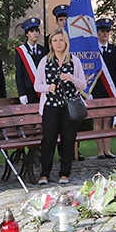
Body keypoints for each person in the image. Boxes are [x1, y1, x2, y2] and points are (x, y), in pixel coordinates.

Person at [33, 29, 86, 185]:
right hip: (50, 106)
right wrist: (48, 88)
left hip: (69, 107)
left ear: (66, 42)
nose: (58, 43)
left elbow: (83, 84)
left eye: (61, 40)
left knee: (68, 140)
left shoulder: (74, 61)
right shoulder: (45, 61)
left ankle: (65, 173)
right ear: (51, 43)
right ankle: (44, 174)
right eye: (55, 40)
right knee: (48, 140)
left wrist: (72, 78)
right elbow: (37, 85)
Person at [90, 19, 116, 159]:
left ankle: (107, 150)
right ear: (97, 32)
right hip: (96, 90)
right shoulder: (91, 50)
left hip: (110, 90)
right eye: (102, 31)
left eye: (107, 31)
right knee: (97, 120)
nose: (105, 34)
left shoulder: (114, 50)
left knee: (108, 120)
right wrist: (88, 91)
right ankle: (100, 151)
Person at [14, 18, 46, 105]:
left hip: (42, 90)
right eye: (32, 31)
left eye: (36, 30)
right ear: (27, 34)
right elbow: (19, 74)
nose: (35, 33)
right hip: (28, 91)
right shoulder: (21, 51)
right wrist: (22, 93)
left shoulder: (43, 50)